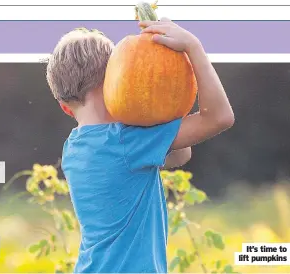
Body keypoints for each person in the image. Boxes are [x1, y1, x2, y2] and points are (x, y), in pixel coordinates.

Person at [46, 18, 234, 273]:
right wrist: (193, 48)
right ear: (118, 77)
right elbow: (219, 117)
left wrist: (159, 99)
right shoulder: (126, 141)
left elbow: (177, 156)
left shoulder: (75, 147)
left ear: (64, 107)